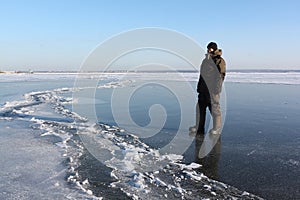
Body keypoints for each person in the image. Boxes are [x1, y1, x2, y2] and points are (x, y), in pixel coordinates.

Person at [196, 42, 226, 135]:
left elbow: (221, 75)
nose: (209, 50)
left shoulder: (219, 60)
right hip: (203, 89)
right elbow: (201, 75)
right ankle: (199, 127)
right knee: (200, 109)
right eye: (208, 48)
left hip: (213, 90)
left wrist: (216, 89)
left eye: (211, 48)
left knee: (214, 108)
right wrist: (199, 87)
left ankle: (216, 128)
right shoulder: (205, 60)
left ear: (215, 49)